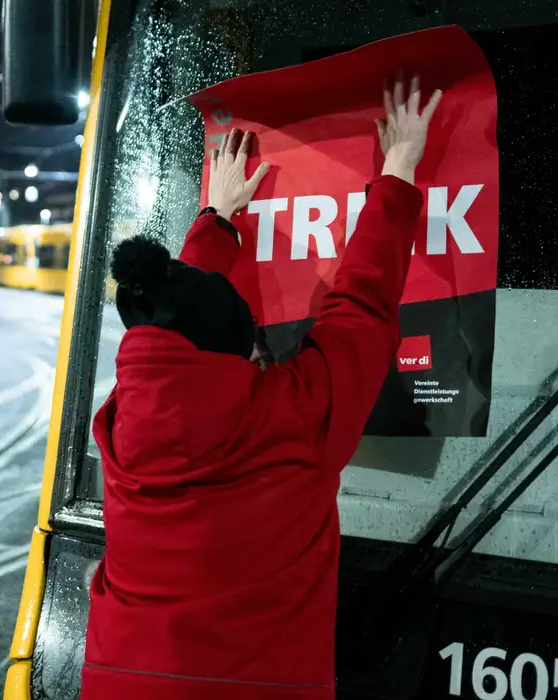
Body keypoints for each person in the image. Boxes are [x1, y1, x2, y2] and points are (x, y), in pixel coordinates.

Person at [81, 76, 443, 700]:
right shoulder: (292, 420)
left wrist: (216, 221)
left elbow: (179, 328)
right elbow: (360, 309)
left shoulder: (122, 425)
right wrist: (402, 164)